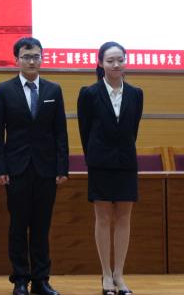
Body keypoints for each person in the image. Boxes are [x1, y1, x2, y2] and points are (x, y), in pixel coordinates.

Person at [0, 37, 69, 295]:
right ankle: (20, 279)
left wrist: (62, 168)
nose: (32, 61)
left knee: (41, 226)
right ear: (17, 60)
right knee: (18, 226)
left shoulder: (53, 90)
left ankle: (41, 279)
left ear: (42, 58)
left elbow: (60, 132)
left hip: (46, 169)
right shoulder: (4, 90)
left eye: (36, 56)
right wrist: (0, 168)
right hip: (16, 169)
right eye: (26, 57)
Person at [77, 42, 143, 295]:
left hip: (126, 162)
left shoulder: (136, 93)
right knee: (103, 218)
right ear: (100, 63)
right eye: (110, 60)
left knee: (124, 218)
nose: (116, 65)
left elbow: (132, 130)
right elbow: (85, 131)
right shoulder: (89, 93)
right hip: (100, 163)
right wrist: (96, 156)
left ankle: (119, 275)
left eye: (120, 60)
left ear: (125, 62)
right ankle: (106, 274)